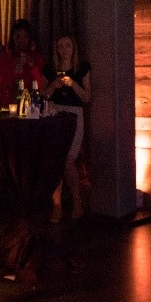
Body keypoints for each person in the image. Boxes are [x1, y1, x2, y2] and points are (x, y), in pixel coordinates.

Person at [45, 35, 91, 222]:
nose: (64, 49)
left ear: (74, 48)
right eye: (60, 46)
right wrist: (53, 86)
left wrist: (73, 84)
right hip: (55, 113)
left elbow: (87, 97)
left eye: (68, 45)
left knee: (68, 160)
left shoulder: (81, 68)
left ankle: (77, 201)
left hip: (74, 115)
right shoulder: (50, 69)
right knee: (56, 161)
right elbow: (42, 96)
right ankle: (57, 206)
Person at [0, 19, 44, 107]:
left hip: (29, 108)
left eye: (25, 37)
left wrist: (32, 67)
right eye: (18, 36)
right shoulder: (4, 59)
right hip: (6, 106)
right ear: (13, 37)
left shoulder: (37, 59)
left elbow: (41, 86)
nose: (22, 40)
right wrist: (14, 74)